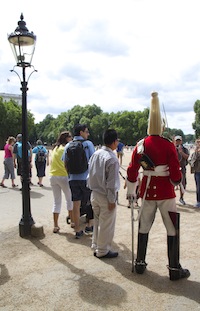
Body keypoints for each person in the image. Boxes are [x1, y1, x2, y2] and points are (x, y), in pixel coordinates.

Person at [127, 92, 190, 281]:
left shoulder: (141, 145)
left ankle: (139, 263)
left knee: (143, 226)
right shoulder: (168, 145)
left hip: (146, 192)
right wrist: (177, 181)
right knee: (172, 228)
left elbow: (131, 171)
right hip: (166, 193)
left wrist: (132, 191)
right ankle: (173, 268)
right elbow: (176, 174)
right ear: (162, 125)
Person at [88, 129, 120, 258]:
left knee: (98, 222)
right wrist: (112, 200)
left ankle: (96, 245)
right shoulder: (112, 159)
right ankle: (102, 250)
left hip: (94, 193)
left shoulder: (96, 154)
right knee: (106, 225)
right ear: (113, 142)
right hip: (105, 195)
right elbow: (111, 183)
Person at [63, 124, 95, 239]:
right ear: (81, 132)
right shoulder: (88, 144)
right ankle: (90, 224)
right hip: (86, 178)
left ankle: (77, 229)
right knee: (89, 202)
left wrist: (70, 174)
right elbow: (93, 161)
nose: (88, 134)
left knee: (76, 204)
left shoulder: (68, 145)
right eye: (86, 131)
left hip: (73, 178)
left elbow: (65, 162)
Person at [50, 131, 73, 233]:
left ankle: (55, 225)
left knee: (56, 201)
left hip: (53, 175)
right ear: (67, 138)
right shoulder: (66, 148)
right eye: (70, 137)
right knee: (69, 199)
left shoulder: (55, 148)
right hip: (64, 176)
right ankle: (72, 221)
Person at [174, 135, 189, 205]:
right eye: (177, 141)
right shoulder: (172, 148)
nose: (178, 142)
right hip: (174, 169)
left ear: (181, 141)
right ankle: (172, 199)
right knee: (172, 184)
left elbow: (187, 157)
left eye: (179, 141)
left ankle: (181, 198)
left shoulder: (185, 149)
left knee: (183, 184)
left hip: (182, 168)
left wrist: (181, 152)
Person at [189, 138, 200, 208]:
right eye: (197, 143)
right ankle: (198, 201)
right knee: (198, 187)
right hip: (198, 172)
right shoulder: (195, 153)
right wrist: (197, 153)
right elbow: (190, 160)